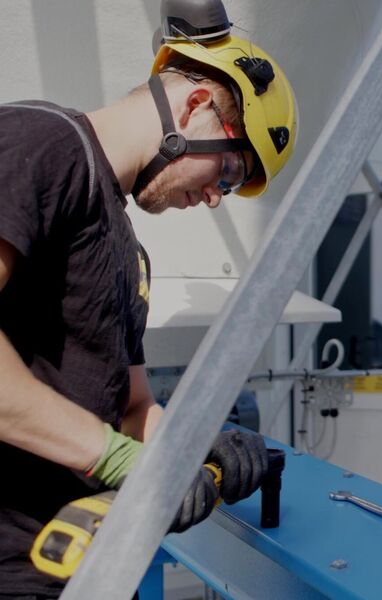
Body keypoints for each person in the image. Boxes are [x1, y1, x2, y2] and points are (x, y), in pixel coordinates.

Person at [0, 25, 297, 598]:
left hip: (93, 565)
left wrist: (192, 448)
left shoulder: (129, 251)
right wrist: (117, 461)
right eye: (230, 173)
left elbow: (132, 404)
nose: (215, 197)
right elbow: (115, 446)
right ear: (195, 107)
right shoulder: (43, 144)